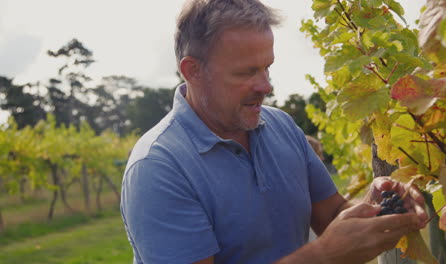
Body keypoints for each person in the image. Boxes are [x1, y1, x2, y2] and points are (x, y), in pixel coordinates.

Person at [120, 1, 428, 263]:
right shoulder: (158, 167)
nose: (266, 86)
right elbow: (329, 249)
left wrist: (375, 207)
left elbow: (332, 214)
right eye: (246, 72)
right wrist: (323, 256)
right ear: (193, 72)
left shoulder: (281, 126)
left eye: (267, 67)